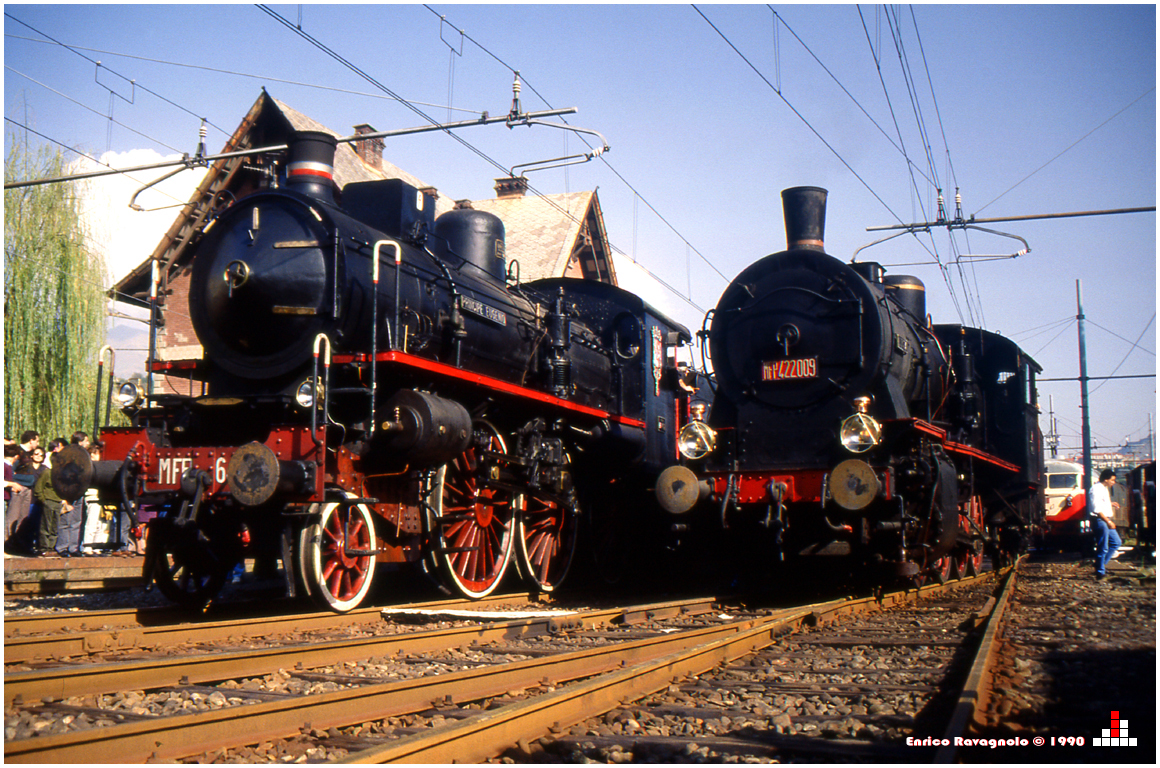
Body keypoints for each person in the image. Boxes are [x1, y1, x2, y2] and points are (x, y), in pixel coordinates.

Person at [1090, 468, 1122, 580]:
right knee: (1103, 546)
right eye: (1112, 480)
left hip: (1105, 519)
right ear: (1106, 479)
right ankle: (1100, 572)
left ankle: (1100, 564)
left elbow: (1101, 503)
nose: (1114, 482)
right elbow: (1096, 508)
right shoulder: (1096, 489)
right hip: (1101, 520)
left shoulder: (1103, 488)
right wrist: (1108, 521)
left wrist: (1110, 503)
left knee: (1116, 542)